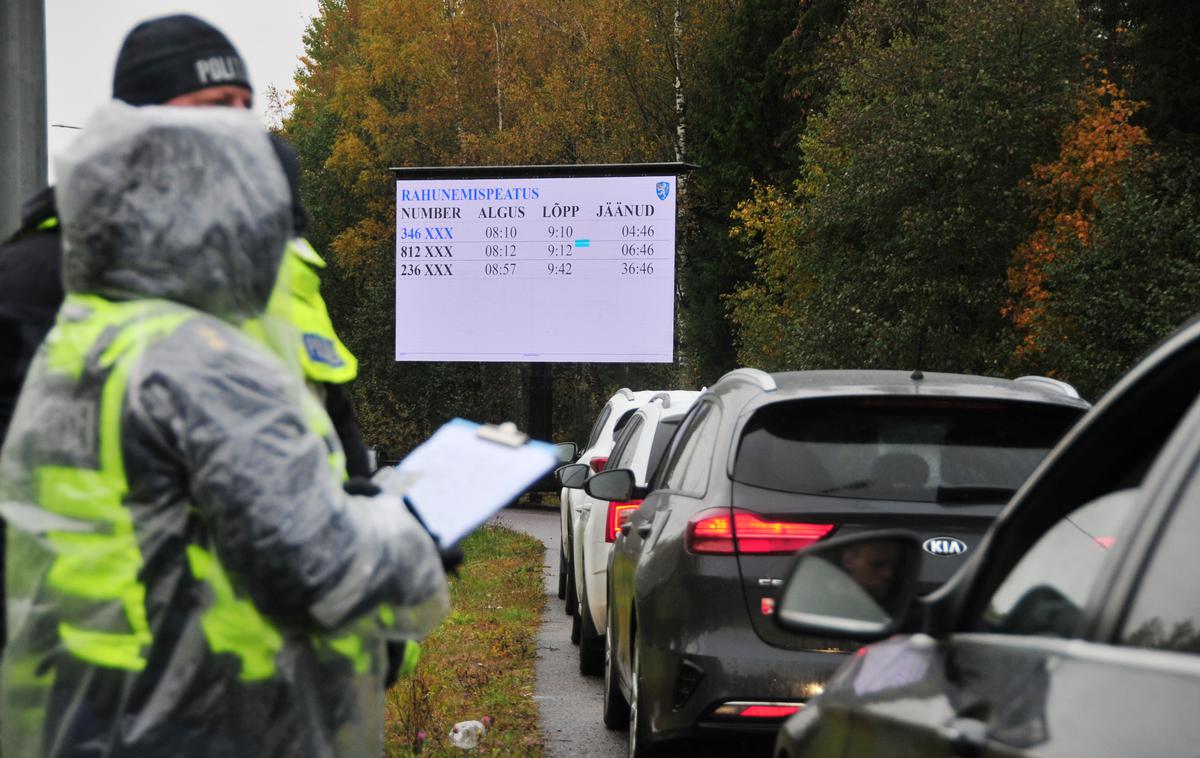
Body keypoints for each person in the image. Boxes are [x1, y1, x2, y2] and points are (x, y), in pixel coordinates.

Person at [0, 102, 447, 757]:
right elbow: (309, 564)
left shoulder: (85, 335)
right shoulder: (202, 360)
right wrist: (411, 541)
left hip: (74, 704)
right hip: (195, 713)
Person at [839, 540, 904, 604]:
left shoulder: (902, 599)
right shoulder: (836, 600)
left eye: (896, 564)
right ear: (848, 560)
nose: (889, 574)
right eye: (878, 564)